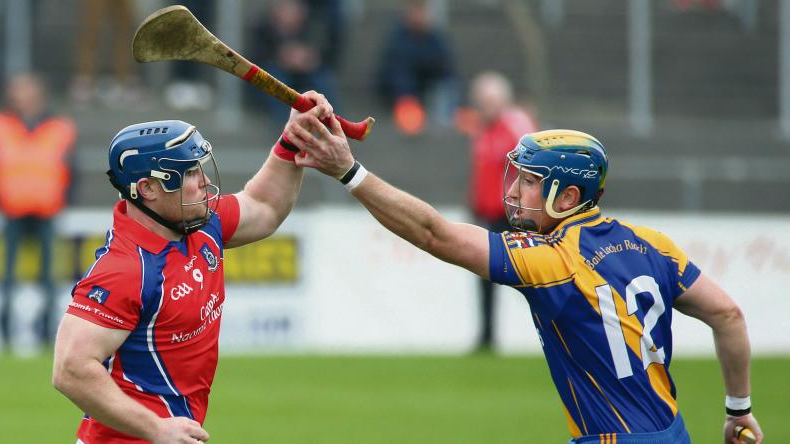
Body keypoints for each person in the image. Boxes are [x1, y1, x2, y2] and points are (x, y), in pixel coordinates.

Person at [287, 120, 764, 443]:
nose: (513, 193)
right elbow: (728, 314)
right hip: (673, 432)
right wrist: (738, 409)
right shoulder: (653, 244)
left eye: (530, 182)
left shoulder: (553, 259)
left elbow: (434, 233)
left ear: (569, 195)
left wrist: (349, 172)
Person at [51, 92, 332, 443]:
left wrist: (294, 139)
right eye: (187, 173)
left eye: (200, 168)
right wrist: (156, 428)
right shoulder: (125, 268)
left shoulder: (200, 225)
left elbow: (264, 206)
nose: (202, 182)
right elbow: (70, 369)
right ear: (149, 188)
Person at [0, 72, 77, 351]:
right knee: (6, 278)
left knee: (51, 279)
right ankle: (4, 333)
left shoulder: (60, 127)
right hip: (11, 209)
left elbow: (71, 168)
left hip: (48, 209)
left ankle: (49, 333)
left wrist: (64, 199)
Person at [465, 71, 538, 350]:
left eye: (490, 100)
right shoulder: (483, 130)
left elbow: (533, 168)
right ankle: (487, 336)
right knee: (486, 277)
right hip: (489, 215)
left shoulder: (516, 127)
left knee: (533, 276)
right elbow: (481, 174)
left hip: (515, 215)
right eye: (482, 101)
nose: (485, 106)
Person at [245, 0, 343, 128]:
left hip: (306, 73)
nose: (293, 16)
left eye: (296, 12)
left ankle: (333, 123)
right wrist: (281, 57)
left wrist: (310, 58)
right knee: (274, 79)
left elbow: (327, 51)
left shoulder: (312, 27)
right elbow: (255, 57)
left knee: (323, 78)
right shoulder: (262, 28)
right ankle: (287, 126)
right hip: (276, 72)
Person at [375, 0, 458, 135]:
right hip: (405, 92)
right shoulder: (396, 39)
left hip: (429, 88)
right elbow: (394, 72)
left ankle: (444, 119)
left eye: (423, 11)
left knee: (446, 85)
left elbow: (445, 68)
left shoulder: (435, 38)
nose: (419, 16)